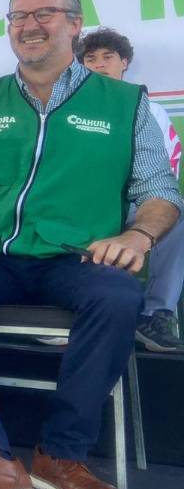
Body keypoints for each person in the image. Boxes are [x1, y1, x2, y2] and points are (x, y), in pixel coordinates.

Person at [0, 0, 184, 489]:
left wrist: (137, 234)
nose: (29, 25)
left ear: (74, 24)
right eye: (18, 16)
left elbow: (160, 190)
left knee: (118, 295)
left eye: (44, 14)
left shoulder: (126, 103)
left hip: (78, 258)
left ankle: (61, 455)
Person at [77, 27, 184, 353]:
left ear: (124, 62)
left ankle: (156, 314)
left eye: (107, 57)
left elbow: (167, 171)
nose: (99, 64)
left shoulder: (150, 110)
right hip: (85, 204)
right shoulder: (71, 108)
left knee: (175, 216)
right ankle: (69, 310)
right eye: (91, 59)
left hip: (136, 205)